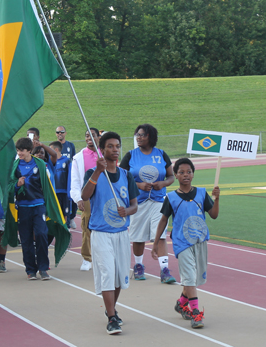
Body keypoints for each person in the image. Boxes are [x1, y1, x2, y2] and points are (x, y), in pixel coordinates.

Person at [81, 131, 139, 335]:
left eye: (117, 146)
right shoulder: (93, 173)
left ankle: (111, 310)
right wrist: (97, 172)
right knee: (107, 272)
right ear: (102, 150)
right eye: (110, 147)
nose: (115, 150)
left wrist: (128, 211)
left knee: (119, 276)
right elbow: (85, 195)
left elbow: (134, 205)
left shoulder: (126, 175)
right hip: (101, 233)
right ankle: (112, 317)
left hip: (122, 233)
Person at [152, 158, 220, 329]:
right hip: (182, 243)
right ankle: (196, 314)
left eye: (188, 172)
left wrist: (216, 199)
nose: (185, 175)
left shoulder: (202, 194)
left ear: (193, 174)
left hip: (200, 240)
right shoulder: (172, 197)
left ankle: (181, 303)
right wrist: (155, 241)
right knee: (189, 276)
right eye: (181, 172)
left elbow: (213, 215)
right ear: (175, 175)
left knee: (194, 279)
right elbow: (163, 220)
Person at [119, 124, 176, 283]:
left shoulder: (161, 154)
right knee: (138, 236)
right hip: (138, 201)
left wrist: (163, 184)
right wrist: (138, 186)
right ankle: (138, 266)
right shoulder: (130, 156)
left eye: (142, 135)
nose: (139, 137)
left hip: (159, 201)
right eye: (137, 134)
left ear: (150, 136)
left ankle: (164, 270)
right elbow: (121, 177)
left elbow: (171, 176)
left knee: (161, 235)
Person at [10, 137, 55, 280]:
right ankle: (30, 269)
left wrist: (49, 205)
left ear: (29, 150)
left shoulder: (40, 164)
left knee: (41, 234)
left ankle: (43, 268)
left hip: (38, 205)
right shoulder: (15, 166)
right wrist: (17, 184)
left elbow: (47, 185)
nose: (20, 152)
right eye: (18, 150)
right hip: (23, 207)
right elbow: (10, 187)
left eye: (22, 150)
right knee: (26, 239)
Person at [70, 128, 101, 271]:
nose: (89, 138)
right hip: (87, 195)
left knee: (104, 226)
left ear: (98, 137)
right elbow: (75, 181)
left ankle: (102, 256)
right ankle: (87, 258)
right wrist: (78, 199)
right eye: (87, 135)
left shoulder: (104, 153)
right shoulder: (78, 157)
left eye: (93, 135)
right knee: (87, 226)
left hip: (103, 195)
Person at [49, 141, 72, 227]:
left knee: (65, 214)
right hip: (54, 192)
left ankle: (66, 230)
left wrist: (69, 191)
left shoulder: (66, 161)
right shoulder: (50, 162)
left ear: (56, 149)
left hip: (64, 192)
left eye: (50, 149)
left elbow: (70, 177)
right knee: (55, 214)